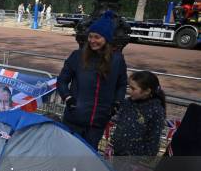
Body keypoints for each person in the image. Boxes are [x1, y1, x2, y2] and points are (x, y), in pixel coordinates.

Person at [57, 11, 128, 150]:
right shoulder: (77, 56)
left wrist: (116, 103)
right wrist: (68, 98)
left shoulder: (117, 60)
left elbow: (121, 84)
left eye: (97, 37)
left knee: (87, 158)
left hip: (98, 121)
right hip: (74, 119)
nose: (92, 40)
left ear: (106, 39)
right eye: (90, 36)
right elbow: (62, 80)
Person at [111, 71, 165, 157]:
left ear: (147, 91)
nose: (129, 91)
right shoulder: (127, 103)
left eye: (133, 88)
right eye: (129, 87)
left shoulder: (155, 111)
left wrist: (145, 160)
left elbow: (154, 139)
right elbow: (119, 124)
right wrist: (113, 142)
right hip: (118, 153)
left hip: (136, 160)